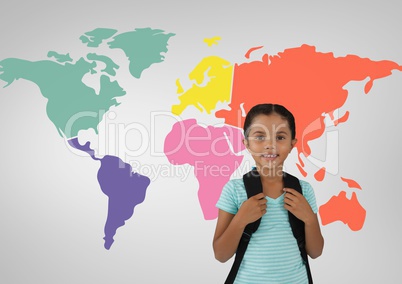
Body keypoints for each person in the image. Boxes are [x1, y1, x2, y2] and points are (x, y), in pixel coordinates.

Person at [213, 103, 324, 283]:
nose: (270, 145)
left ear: (292, 144)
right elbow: (221, 254)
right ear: (247, 144)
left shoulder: (303, 190)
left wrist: (310, 219)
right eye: (260, 137)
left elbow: (316, 252)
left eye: (280, 137)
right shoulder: (234, 190)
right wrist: (240, 219)